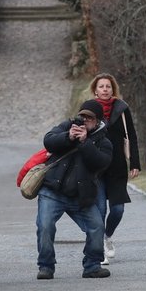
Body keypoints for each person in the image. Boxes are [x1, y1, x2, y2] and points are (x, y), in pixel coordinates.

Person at [35, 100, 113, 280]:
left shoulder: (104, 141)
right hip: (53, 190)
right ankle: (46, 266)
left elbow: (100, 163)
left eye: (89, 118)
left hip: (82, 195)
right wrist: (68, 137)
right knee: (45, 226)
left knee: (97, 227)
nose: (84, 120)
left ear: (98, 120)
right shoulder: (67, 126)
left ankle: (92, 266)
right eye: (82, 116)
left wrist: (85, 142)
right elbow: (48, 141)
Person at [90, 73, 141, 264]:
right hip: (96, 169)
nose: (105, 89)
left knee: (118, 209)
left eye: (108, 86)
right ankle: (100, 250)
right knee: (100, 209)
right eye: (101, 86)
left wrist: (135, 163)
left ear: (113, 89)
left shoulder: (122, 108)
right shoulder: (89, 109)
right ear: (95, 90)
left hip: (118, 167)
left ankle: (107, 236)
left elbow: (132, 137)